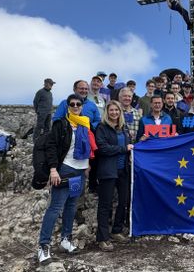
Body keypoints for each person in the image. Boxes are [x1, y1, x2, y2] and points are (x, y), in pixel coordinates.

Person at [37, 94, 95, 264]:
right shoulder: (61, 124)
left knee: (71, 205)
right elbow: (51, 147)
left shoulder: (85, 123)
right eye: (72, 104)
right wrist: (53, 169)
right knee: (55, 207)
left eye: (78, 104)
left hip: (79, 171)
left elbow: (87, 147)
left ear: (82, 106)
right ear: (68, 106)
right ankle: (43, 246)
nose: (75, 106)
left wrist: (87, 164)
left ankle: (65, 240)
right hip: (65, 169)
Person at [95, 101, 134, 251]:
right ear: (107, 112)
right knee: (105, 205)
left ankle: (116, 230)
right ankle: (103, 238)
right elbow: (102, 148)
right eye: (111, 110)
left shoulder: (123, 128)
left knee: (123, 201)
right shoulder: (102, 128)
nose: (114, 113)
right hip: (108, 171)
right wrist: (124, 148)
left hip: (123, 170)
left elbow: (130, 145)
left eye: (116, 110)